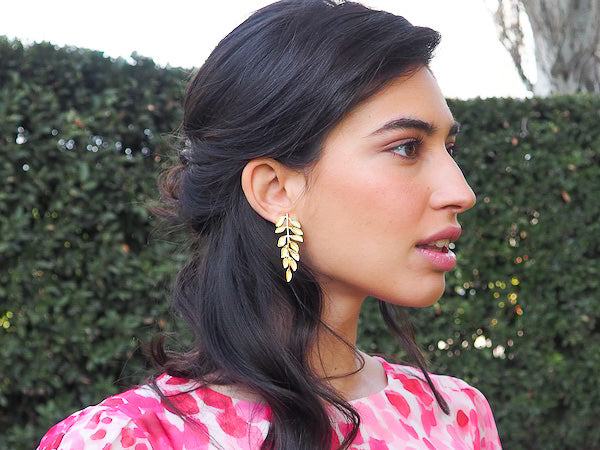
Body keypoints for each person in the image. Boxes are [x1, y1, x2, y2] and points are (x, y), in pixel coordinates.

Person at [37, 0, 502, 448]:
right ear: (275, 189)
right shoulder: (124, 441)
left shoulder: (458, 417)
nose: (461, 192)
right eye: (406, 148)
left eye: (449, 149)